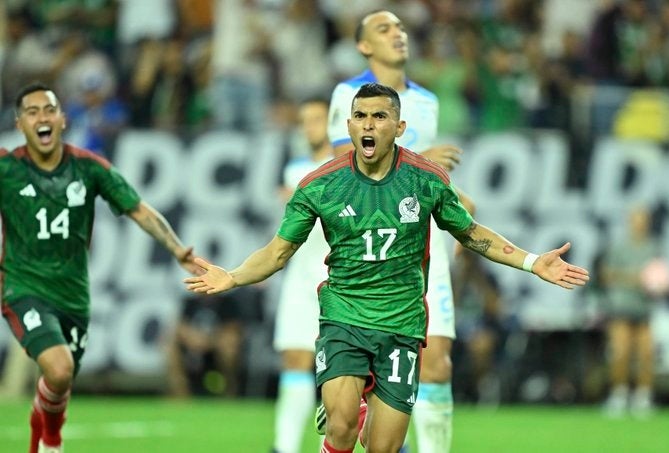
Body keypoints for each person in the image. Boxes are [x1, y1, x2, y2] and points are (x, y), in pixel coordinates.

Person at [185, 83, 590, 453]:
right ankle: (345, 413)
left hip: (401, 324)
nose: (368, 124)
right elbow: (276, 253)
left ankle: (362, 410)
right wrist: (233, 275)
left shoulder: (426, 179)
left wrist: (533, 261)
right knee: (340, 429)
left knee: (383, 448)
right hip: (343, 318)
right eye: (360, 116)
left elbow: (470, 233)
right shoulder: (320, 185)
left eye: (379, 116)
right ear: (348, 124)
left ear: (399, 126)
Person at [0, 82, 201, 453]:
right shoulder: (7, 169)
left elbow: (137, 208)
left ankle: (41, 432)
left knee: (59, 382)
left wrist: (175, 248)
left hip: (73, 294)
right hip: (23, 287)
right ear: (20, 123)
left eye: (49, 110)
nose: (42, 118)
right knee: (57, 370)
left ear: (62, 119)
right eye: (32, 112)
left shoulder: (88, 168)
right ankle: (51, 443)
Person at [325, 10, 474, 452]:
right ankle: (356, 414)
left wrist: (456, 199)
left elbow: (421, 176)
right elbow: (341, 162)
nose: (399, 35)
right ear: (364, 45)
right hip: (369, 241)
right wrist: (422, 155)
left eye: (401, 28)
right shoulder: (348, 94)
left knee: (438, 363)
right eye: (384, 29)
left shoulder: (426, 100)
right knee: (374, 362)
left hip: (422, 241)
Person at [272, 97, 334, 453]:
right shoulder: (295, 168)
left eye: (316, 119)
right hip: (300, 276)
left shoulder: (344, 165)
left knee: (345, 366)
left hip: (339, 276)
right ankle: (285, 447)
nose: (309, 127)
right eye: (304, 120)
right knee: (295, 358)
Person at [600, 206, 668, 418]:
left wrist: (659, 284)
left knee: (646, 354)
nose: (640, 223)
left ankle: (643, 397)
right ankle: (619, 395)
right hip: (621, 306)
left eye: (643, 219)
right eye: (636, 219)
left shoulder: (654, 247)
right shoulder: (619, 248)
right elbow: (606, 275)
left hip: (644, 307)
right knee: (621, 353)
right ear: (630, 221)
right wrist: (634, 278)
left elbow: (661, 276)